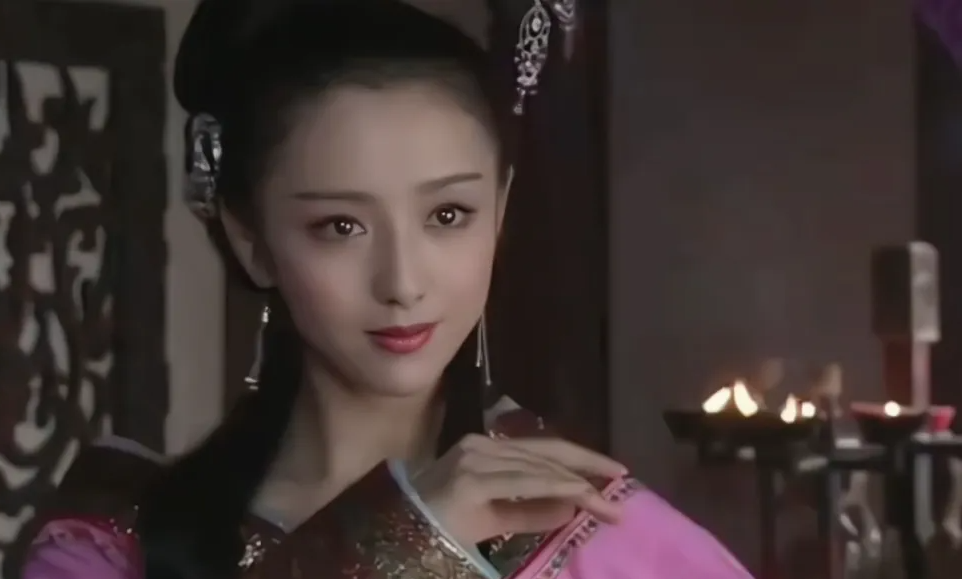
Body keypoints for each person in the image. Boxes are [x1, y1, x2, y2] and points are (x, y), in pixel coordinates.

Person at [19, 1, 756, 578]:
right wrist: (400, 546)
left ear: (500, 210)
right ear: (252, 240)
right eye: (340, 226)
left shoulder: (602, 534)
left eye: (448, 215)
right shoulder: (113, 541)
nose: (402, 282)